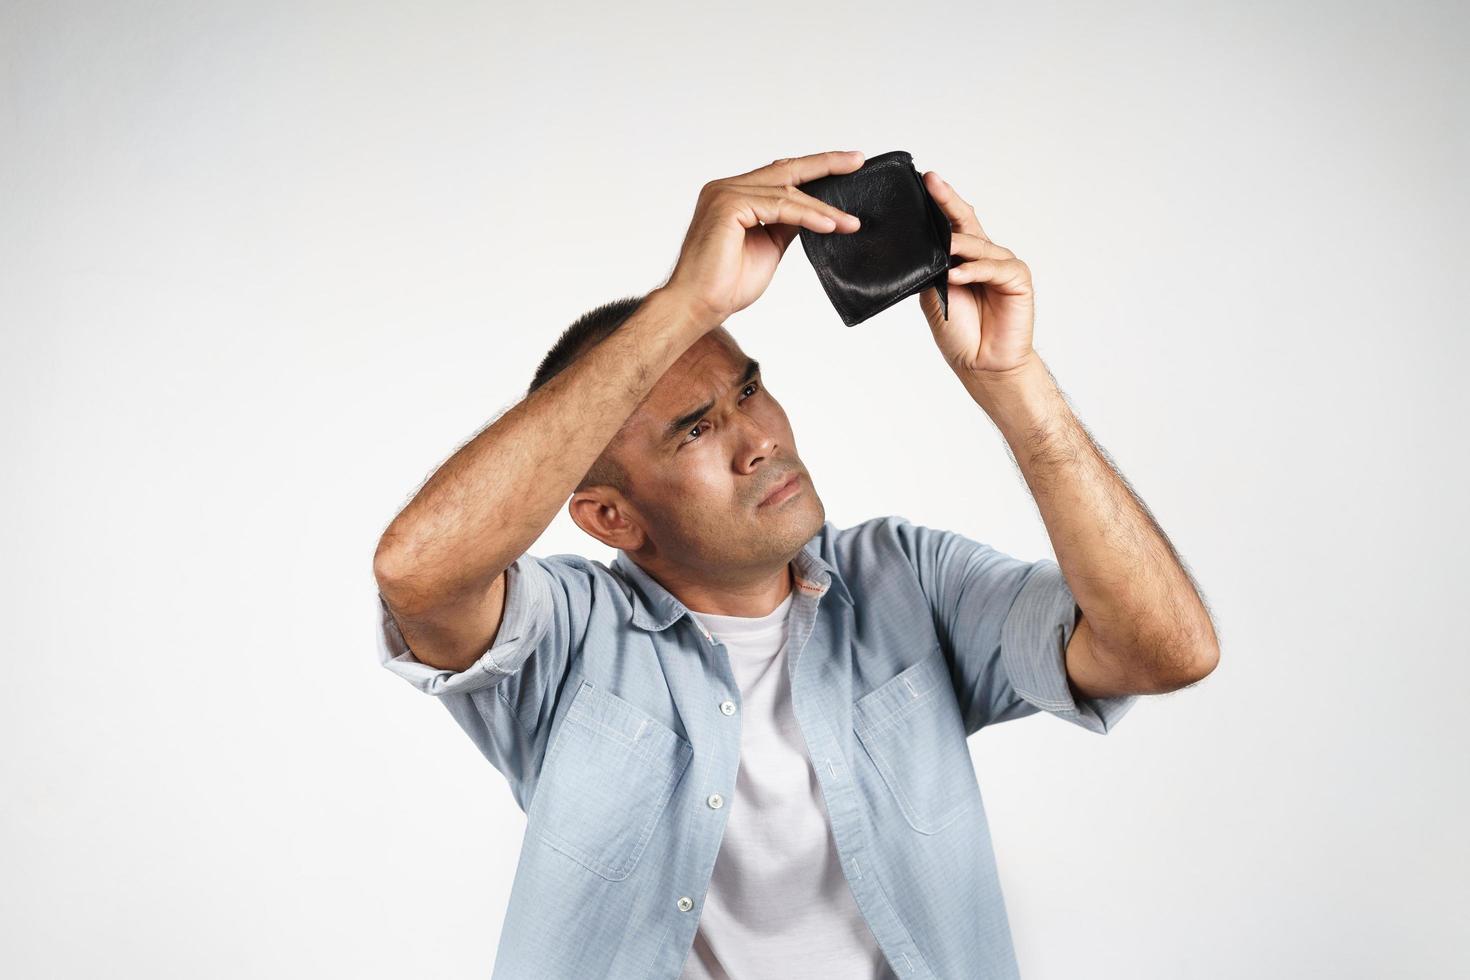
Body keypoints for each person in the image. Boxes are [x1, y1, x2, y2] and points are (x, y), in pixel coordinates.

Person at [373, 149, 1219, 979]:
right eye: (696, 430)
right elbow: (417, 572)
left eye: (747, 391)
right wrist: (683, 303)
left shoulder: (905, 580)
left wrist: (1018, 390)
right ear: (609, 517)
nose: (760, 440)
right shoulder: (563, 637)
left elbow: (1167, 651)